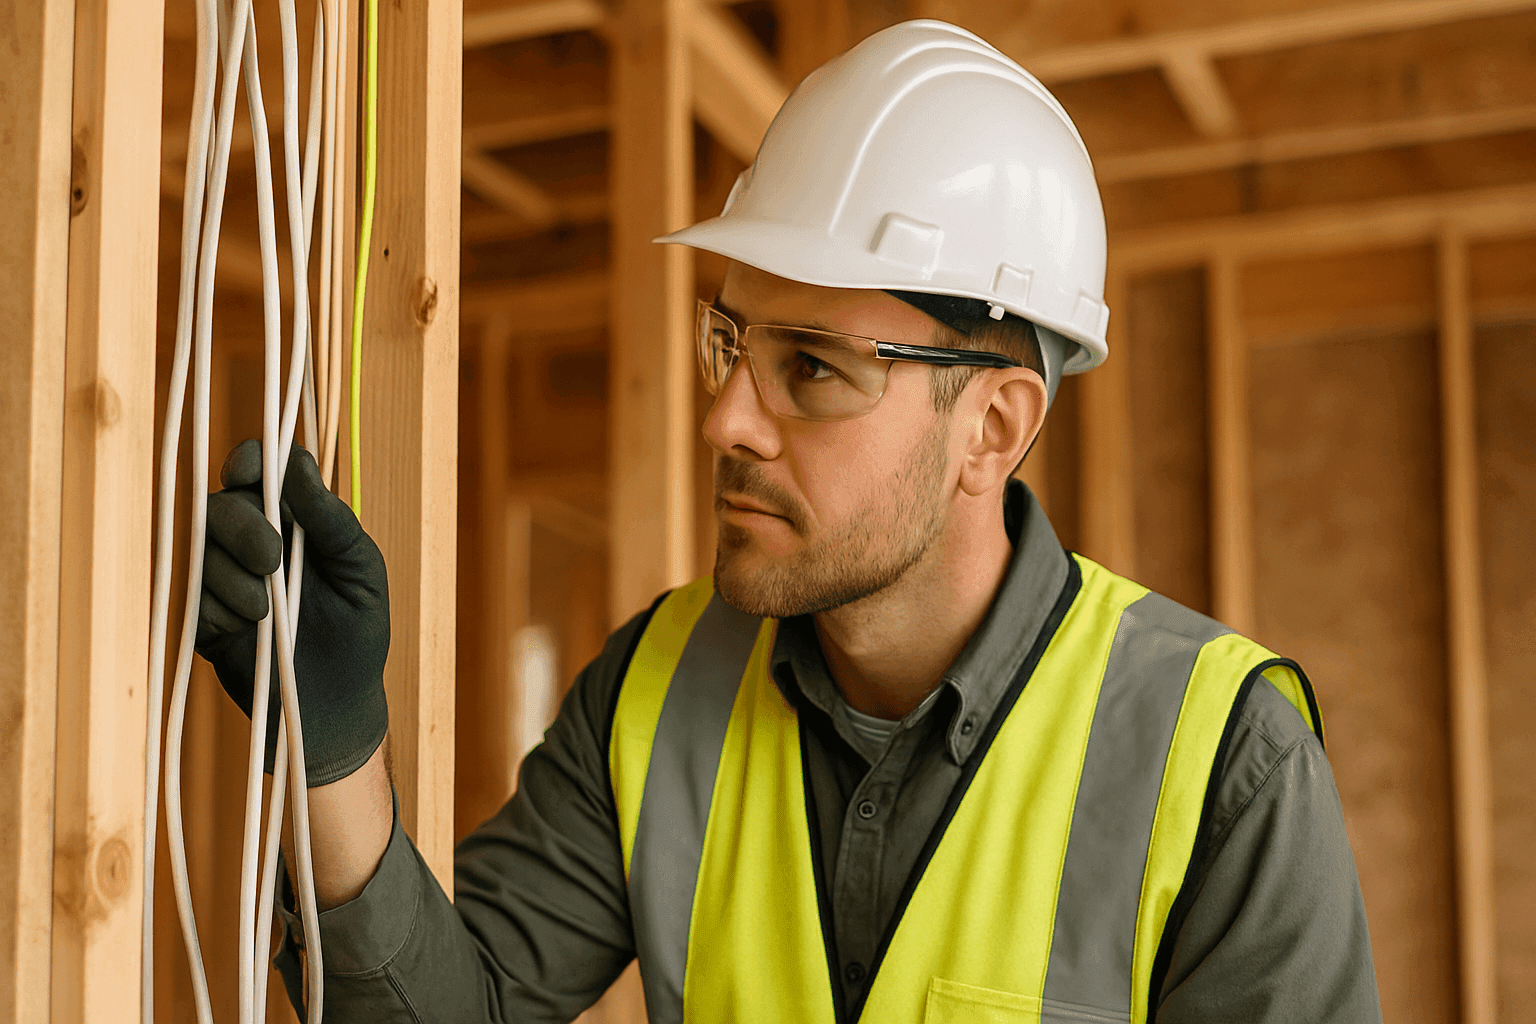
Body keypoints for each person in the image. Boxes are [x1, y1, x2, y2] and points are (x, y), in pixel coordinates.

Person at [196, 20, 1382, 1024]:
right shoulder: (657, 696)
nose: (725, 420)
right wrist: (334, 747)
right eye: (731, 343)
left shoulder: (1221, 762)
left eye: (811, 369)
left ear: (994, 424)